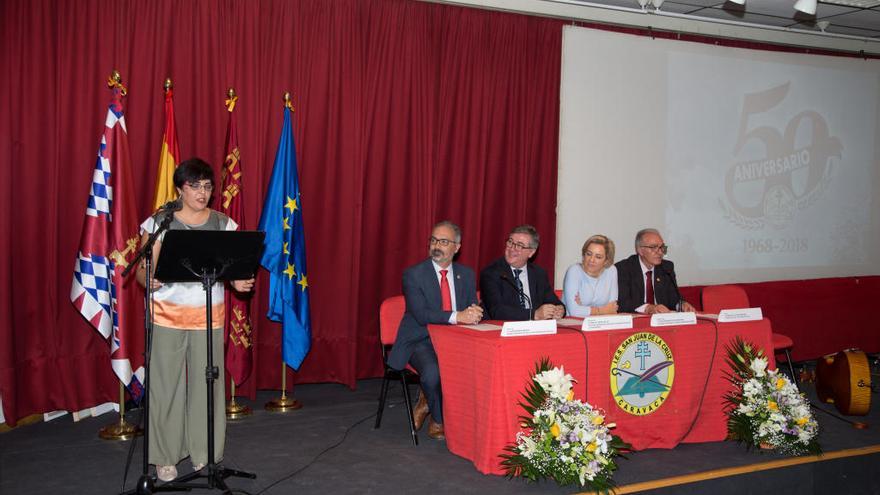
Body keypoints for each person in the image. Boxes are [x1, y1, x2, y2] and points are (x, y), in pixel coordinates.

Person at [136, 158, 255, 482]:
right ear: (180, 189)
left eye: (207, 186)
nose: (202, 193)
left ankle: (205, 455)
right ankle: (165, 457)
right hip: (167, 317)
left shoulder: (223, 224)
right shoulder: (161, 221)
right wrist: (149, 278)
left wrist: (238, 281)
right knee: (166, 388)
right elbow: (141, 271)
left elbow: (231, 271)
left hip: (209, 319)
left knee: (209, 387)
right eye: (194, 186)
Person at [387, 221, 482, 440]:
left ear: (457, 247)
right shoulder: (413, 274)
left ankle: (436, 404)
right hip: (422, 338)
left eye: (444, 241)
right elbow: (421, 314)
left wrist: (475, 313)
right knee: (432, 373)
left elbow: (470, 307)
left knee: (481, 365)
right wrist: (459, 316)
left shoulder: (465, 274)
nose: (436, 245)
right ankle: (438, 419)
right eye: (433, 240)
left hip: (457, 339)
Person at [480, 225, 564, 321]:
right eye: (510, 242)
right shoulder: (491, 273)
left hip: (534, 330)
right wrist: (533, 315)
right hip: (501, 330)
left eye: (519, 245)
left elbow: (552, 301)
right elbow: (497, 311)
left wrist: (559, 309)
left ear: (531, 252)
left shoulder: (539, 273)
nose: (512, 248)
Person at [616, 228, 694, 314]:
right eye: (653, 247)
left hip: (662, 321)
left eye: (662, 247)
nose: (660, 252)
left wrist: (680, 305)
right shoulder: (623, 268)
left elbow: (673, 298)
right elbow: (623, 302)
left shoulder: (666, 267)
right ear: (640, 250)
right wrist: (648, 308)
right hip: (637, 321)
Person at [562, 234, 618, 317]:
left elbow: (612, 307)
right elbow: (574, 311)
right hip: (573, 323)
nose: (591, 260)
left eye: (598, 257)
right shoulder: (574, 271)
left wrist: (584, 309)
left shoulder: (611, 270)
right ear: (583, 254)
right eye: (588, 254)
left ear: (606, 260)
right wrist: (602, 310)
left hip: (600, 323)